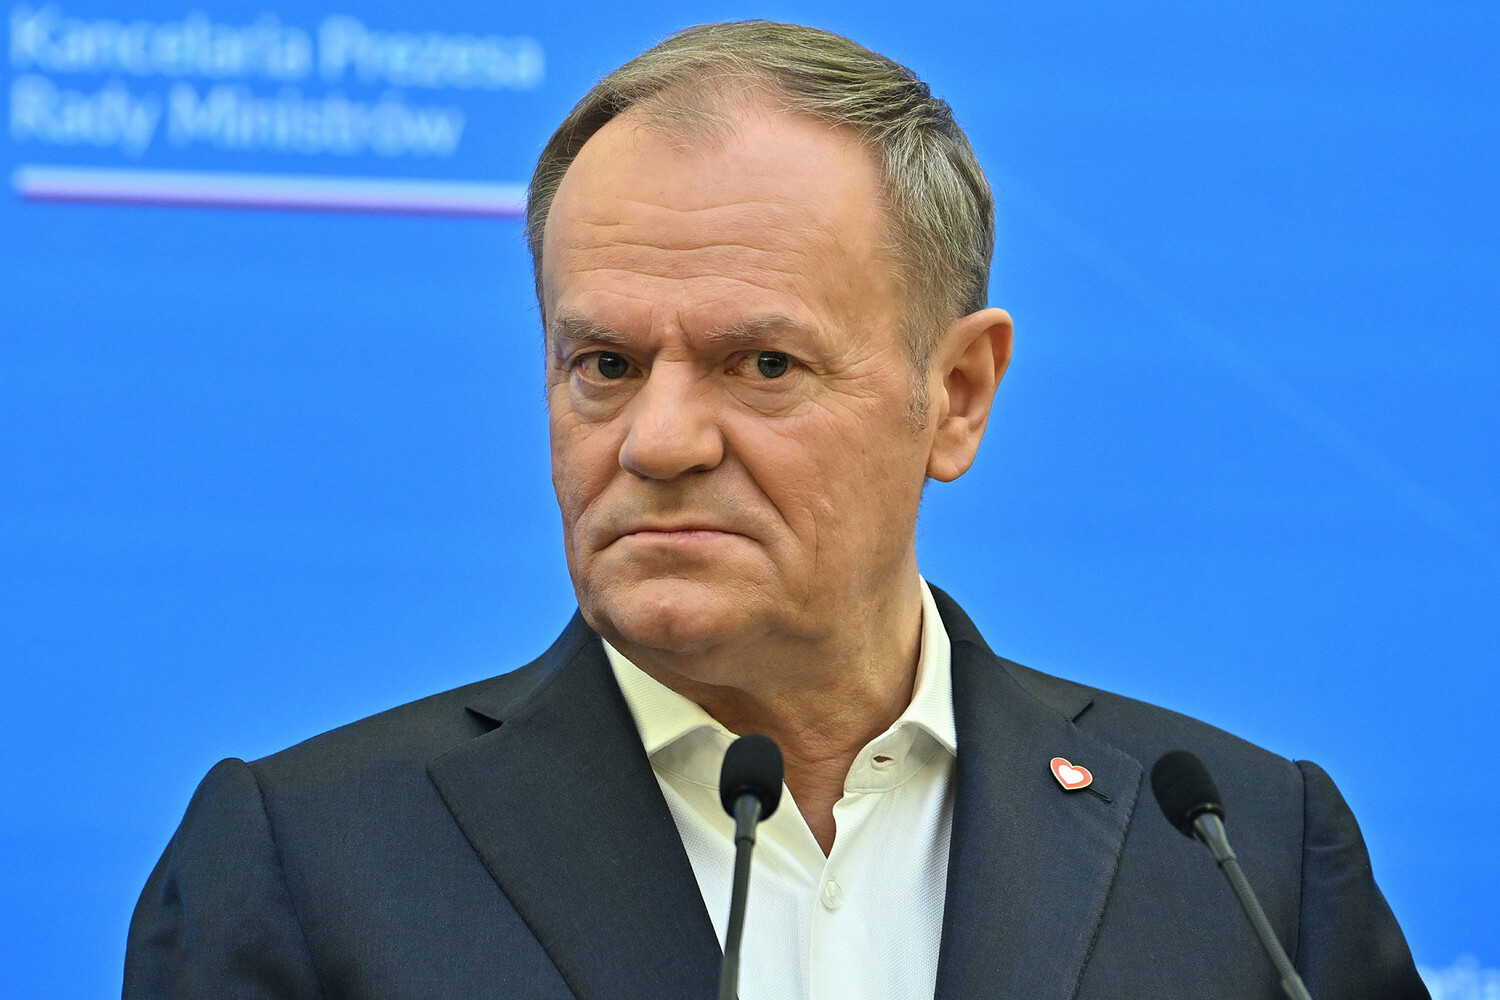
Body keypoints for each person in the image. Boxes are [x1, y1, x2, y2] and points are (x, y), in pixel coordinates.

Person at [124, 21, 1429, 1000]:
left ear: (957, 395)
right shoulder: (310, 863)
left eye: (762, 364)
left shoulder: (1238, 852)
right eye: (605, 364)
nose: (659, 442)